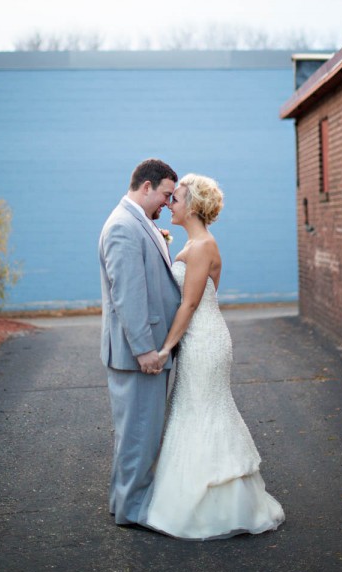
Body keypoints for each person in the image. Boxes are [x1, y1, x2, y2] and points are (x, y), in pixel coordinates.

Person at [137, 173, 285, 540]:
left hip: (204, 341)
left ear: (193, 206)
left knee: (203, 412)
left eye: (177, 197)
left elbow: (190, 304)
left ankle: (212, 508)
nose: (171, 203)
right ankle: (194, 499)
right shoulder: (196, 243)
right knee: (192, 410)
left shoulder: (202, 246)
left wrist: (167, 347)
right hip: (200, 336)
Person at [98, 158, 181, 526]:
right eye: (165, 194)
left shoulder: (137, 223)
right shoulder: (122, 227)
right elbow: (127, 295)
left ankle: (124, 503)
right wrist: (146, 349)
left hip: (144, 352)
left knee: (136, 434)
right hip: (138, 355)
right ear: (145, 187)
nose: (167, 202)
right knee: (138, 437)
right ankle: (133, 511)